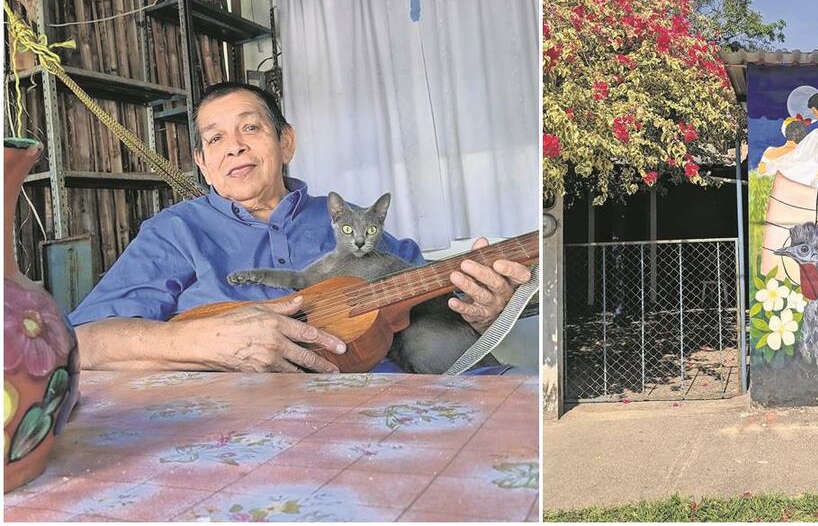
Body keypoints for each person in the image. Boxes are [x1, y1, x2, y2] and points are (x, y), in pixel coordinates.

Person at [69, 82, 532, 373]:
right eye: (215, 139)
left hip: (384, 408)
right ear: (203, 165)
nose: (233, 148)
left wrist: (479, 309)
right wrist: (200, 341)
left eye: (250, 129)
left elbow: (427, 302)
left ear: (285, 142)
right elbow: (81, 344)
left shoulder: (346, 219)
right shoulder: (174, 231)